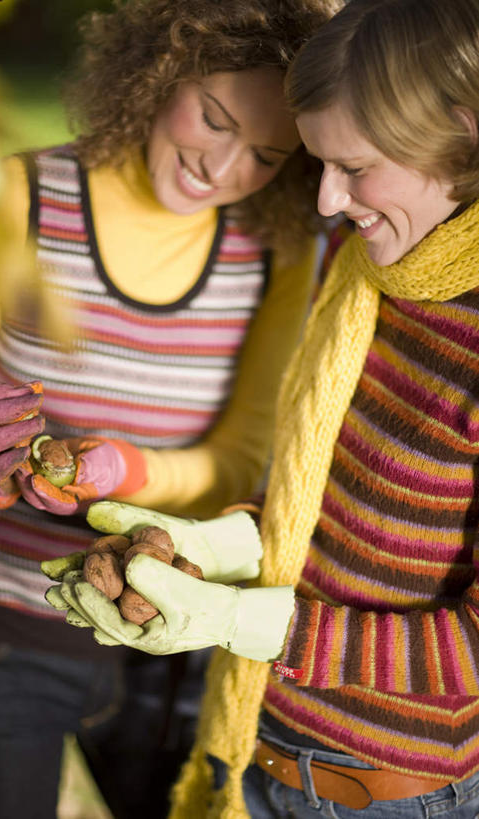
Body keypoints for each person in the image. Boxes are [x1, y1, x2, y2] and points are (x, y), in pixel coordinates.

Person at [47, 0, 479, 816]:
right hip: (254, 754)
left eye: (353, 167)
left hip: (387, 798)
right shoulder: (373, 277)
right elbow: (325, 510)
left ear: (458, 133)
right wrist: (204, 545)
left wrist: (243, 622)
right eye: (317, 164)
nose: (324, 202)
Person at [0, 1, 341, 817]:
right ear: (162, 69)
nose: (221, 170)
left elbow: (242, 459)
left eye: (265, 155)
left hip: (168, 631)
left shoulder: (277, 248)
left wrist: (126, 469)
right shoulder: (18, 195)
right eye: (213, 119)